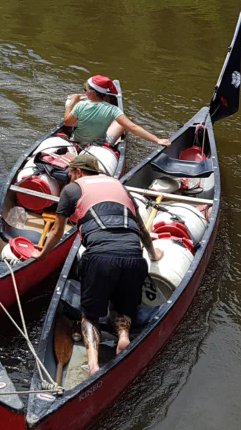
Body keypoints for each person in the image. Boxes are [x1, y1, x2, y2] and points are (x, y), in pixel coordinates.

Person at [34, 152, 163, 376]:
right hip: (134, 256)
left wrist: (43, 255)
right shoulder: (120, 187)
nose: (69, 178)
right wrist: (152, 255)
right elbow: (142, 229)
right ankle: (123, 337)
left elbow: (56, 231)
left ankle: (93, 364)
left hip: (100, 257)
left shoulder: (72, 189)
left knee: (91, 316)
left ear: (78, 172)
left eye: (70, 174)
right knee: (123, 307)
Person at [65, 75, 171, 148]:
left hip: (77, 142)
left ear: (91, 92)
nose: (84, 92)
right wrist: (157, 140)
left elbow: (67, 122)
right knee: (122, 123)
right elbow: (133, 127)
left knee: (79, 120)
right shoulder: (114, 109)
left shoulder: (80, 105)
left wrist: (73, 101)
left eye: (85, 90)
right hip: (98, 145)